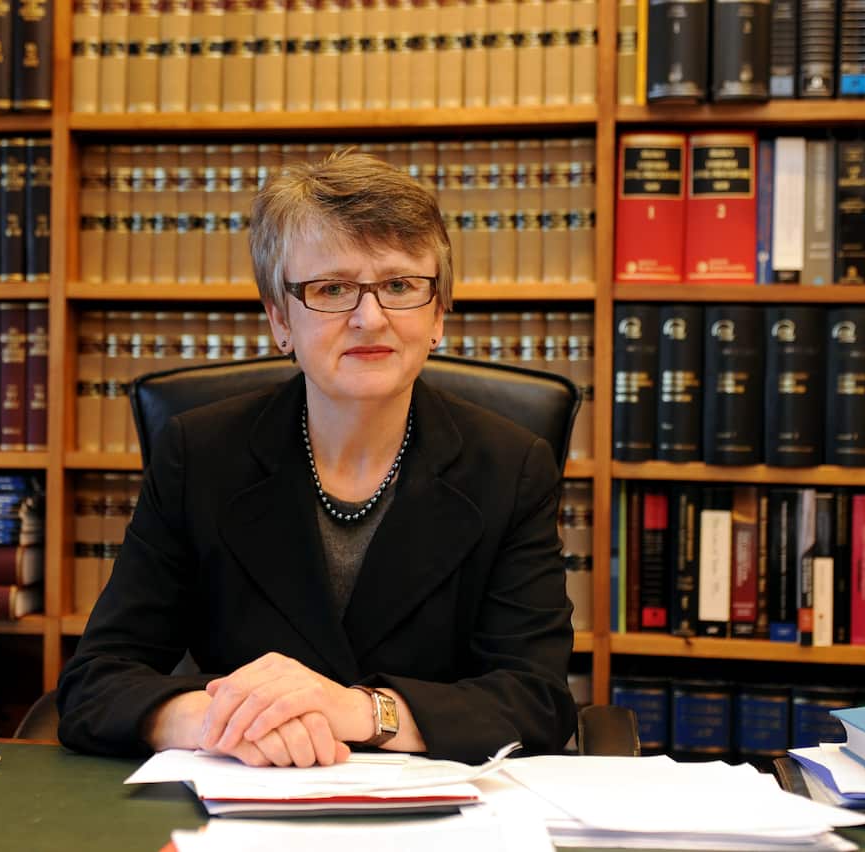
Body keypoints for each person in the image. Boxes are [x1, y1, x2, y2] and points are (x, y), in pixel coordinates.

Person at [56, 149, 575, 767]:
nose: (369, 318)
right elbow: (96, 683)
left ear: (438, 315)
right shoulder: (200, 455)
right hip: (246, 797)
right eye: (331, 289)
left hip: (434, 813)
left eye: (400, 286)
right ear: (280, 319)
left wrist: (358, 710)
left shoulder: (510, 466)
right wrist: (220, 720)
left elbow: (536, 701)